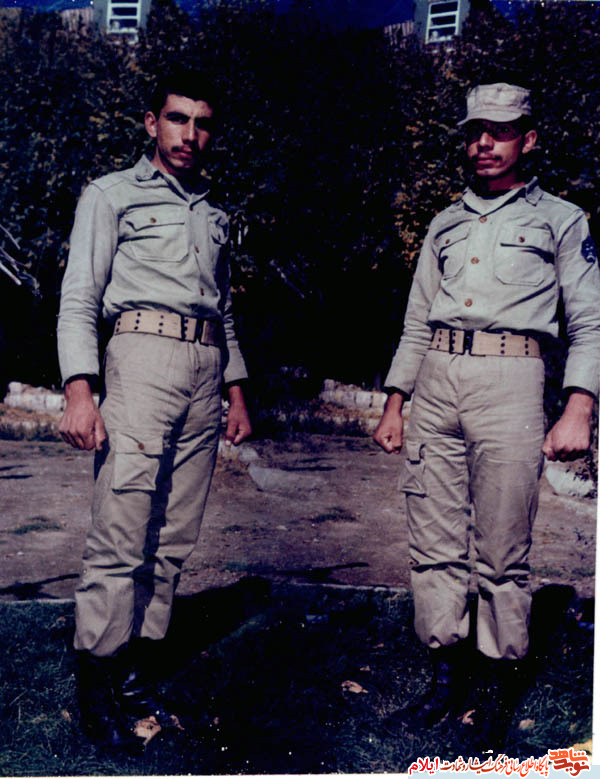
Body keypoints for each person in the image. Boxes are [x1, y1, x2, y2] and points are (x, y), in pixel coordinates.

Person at [373, 82, 600, 749]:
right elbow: (417, 319)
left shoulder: (562, 219)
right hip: (437, 378)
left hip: (512, 380)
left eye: (499, 132)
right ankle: (445, 680)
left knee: (503, 547)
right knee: (433, 543)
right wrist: (396, 400)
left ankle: (494, 692)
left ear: (528, 139)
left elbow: (589, 322)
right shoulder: (445, 223)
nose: (484, 144)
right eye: (475, 131)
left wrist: (579, 406)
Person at [57, 69, 252, 749]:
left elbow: (223, 308)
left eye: (202, 123)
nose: (190, 134)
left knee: (172, 537)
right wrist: (80, 389)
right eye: (177, 118)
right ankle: (97, 684)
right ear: (151, 123)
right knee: (122, 529)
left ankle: (137, 674)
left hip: (205, 369)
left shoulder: (214, 213)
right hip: (141, 360)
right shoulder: (110, 195)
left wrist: (236, 390)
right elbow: (80, 295)